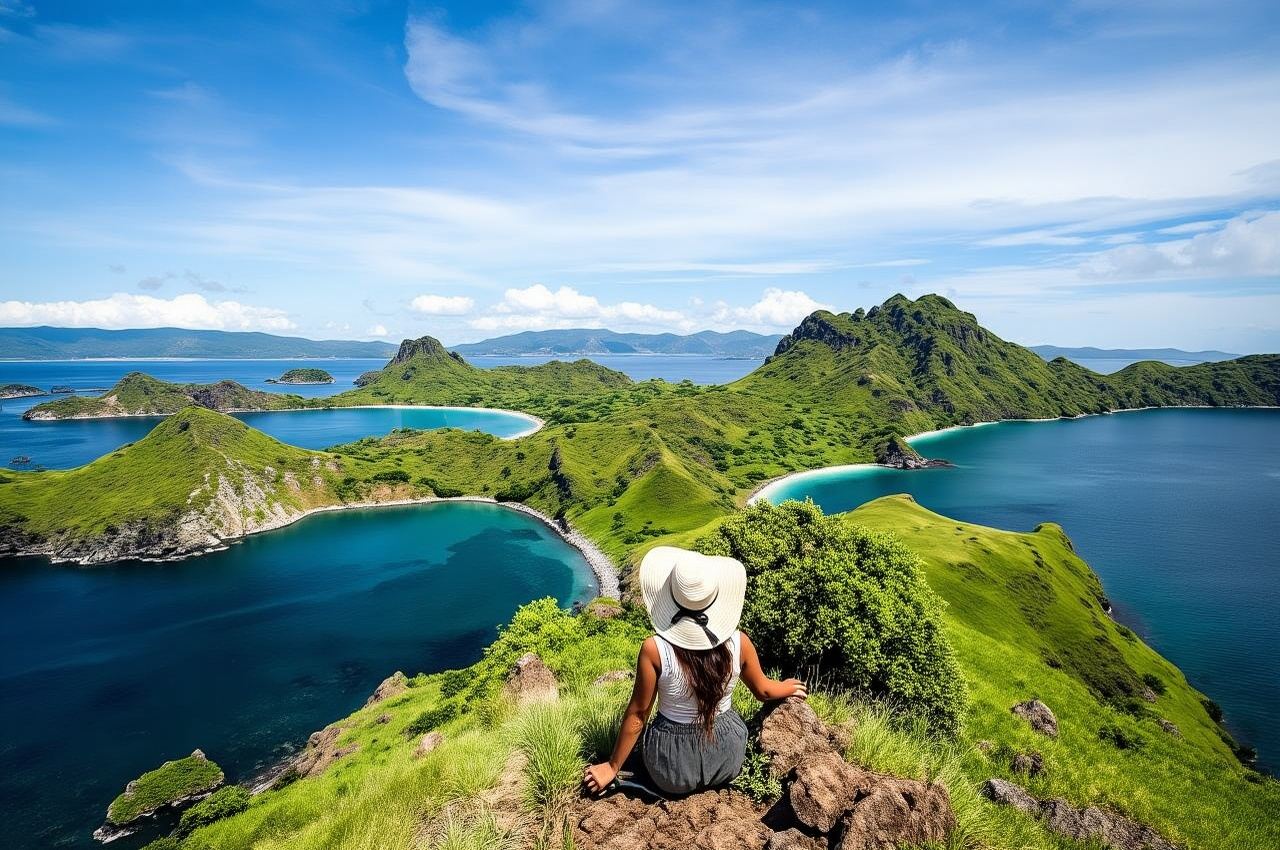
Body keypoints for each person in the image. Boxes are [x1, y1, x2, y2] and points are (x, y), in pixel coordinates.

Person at [583, 546, 807, 797]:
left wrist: (612, 766)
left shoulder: (654, 649)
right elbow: (763, 690)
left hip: (672, 771)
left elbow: (638, 715)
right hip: (727, 758)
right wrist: (789, 686)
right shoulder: (739, 642)